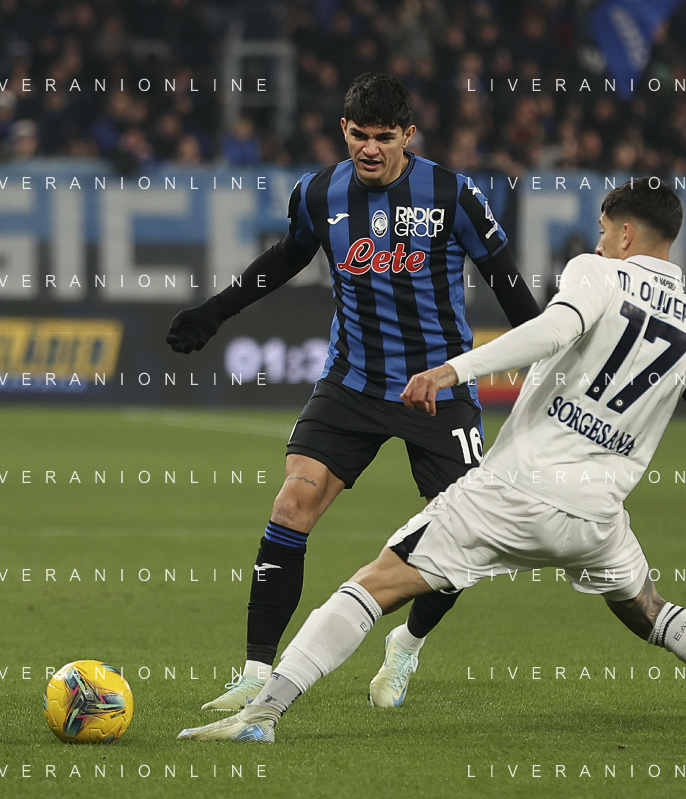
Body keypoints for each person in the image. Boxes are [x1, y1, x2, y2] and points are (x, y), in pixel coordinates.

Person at [177, 178, 686, 745]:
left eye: (602, 230)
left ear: (623, 234)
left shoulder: (595, 272)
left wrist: (452, 368)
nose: (597, 241)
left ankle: (262, 713)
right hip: (595, 520)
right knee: (650, 610)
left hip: (509, 496)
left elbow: (551, 330)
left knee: (372, 585)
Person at [165, 73, 540, 711]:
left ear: (408, 136)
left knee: (463, 537)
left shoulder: (452, 195)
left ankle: (407, 644)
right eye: (359, 135)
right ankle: (255, 674)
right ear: (343, 130)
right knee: (292, 504)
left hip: (436, 387)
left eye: (384, 138)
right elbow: (286, 257)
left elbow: (508, 286)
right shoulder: (318, 192)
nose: (370, 148)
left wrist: (547, 362)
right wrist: (215, 311)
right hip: (352, 381)